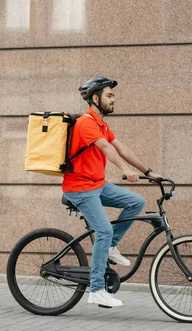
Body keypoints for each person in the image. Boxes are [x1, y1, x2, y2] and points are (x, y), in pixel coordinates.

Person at [62, 77, 162, 308]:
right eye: (109, 95)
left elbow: (120, 147)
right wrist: (125, 171)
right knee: (104, 230)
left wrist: (148, 171)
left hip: (97, 184)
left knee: (136, 201)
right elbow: (105, 148)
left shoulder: (102, 125)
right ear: (95, 98)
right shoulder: (86, 123)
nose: (113, 99)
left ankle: (109, 247)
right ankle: (96, 289)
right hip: (81, 188)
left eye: (113, 95)